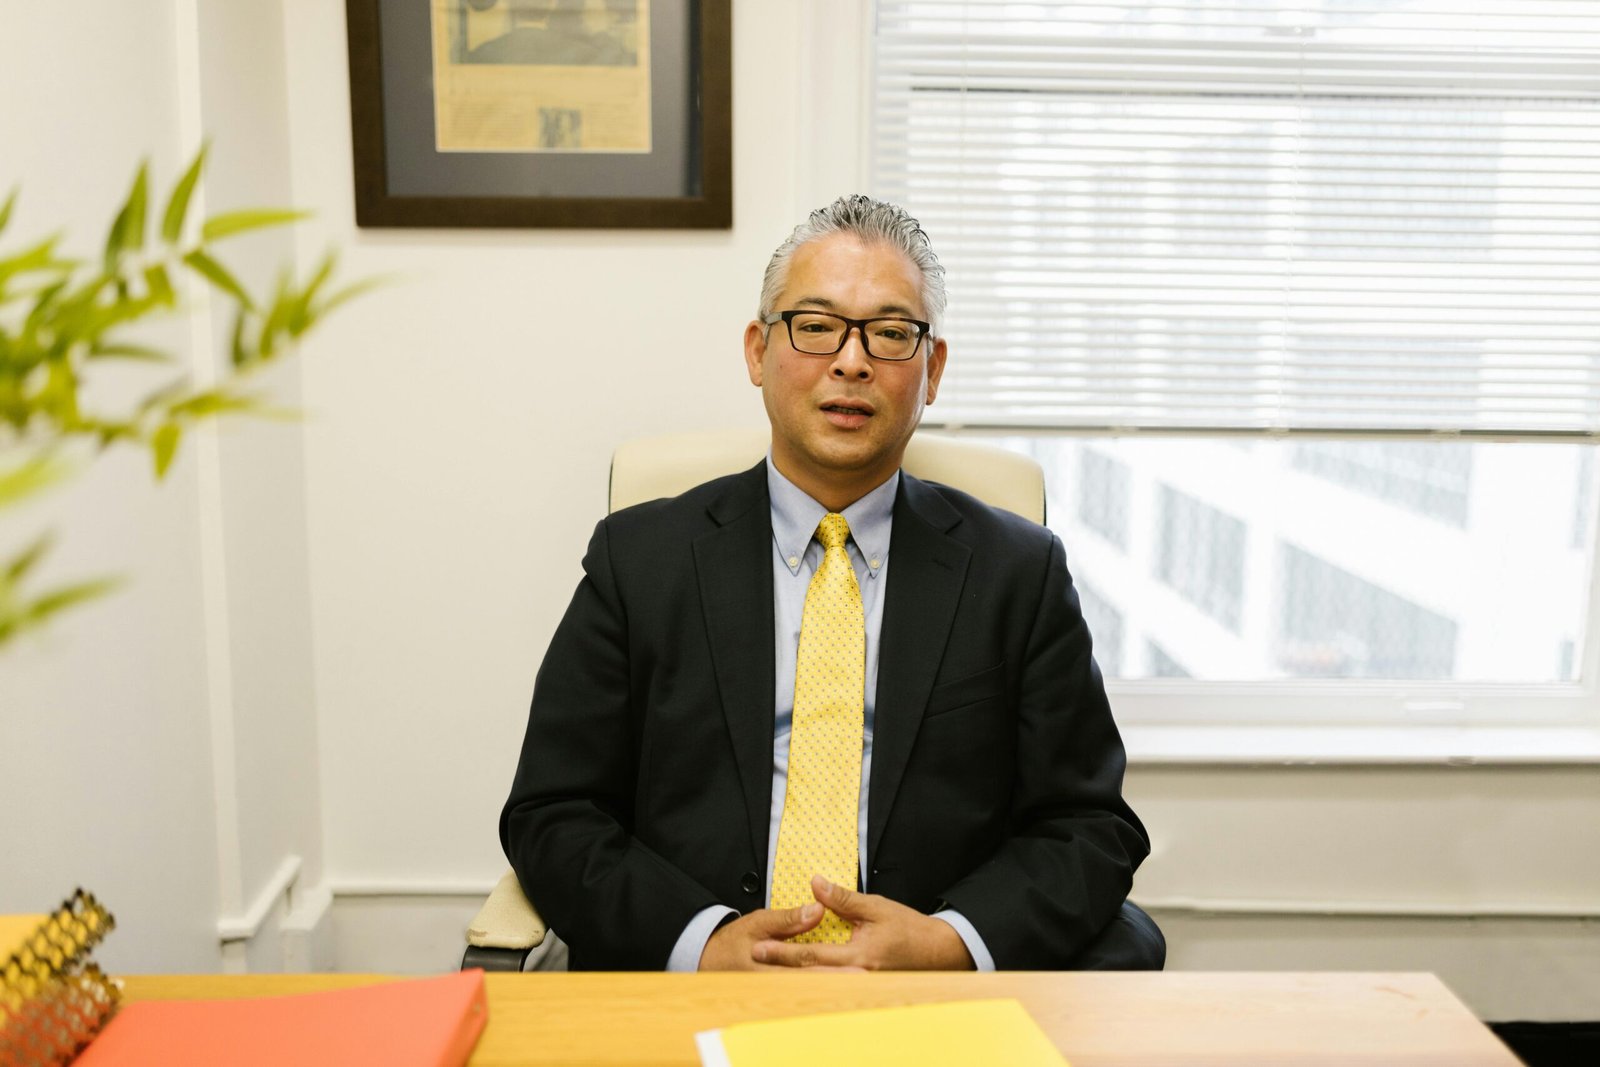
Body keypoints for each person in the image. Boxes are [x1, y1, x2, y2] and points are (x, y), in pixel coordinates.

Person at [501, 195, 1150, 971]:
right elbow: (555, 811)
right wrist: (699, 939)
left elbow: (1089, 825)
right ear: (757, 350)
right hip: (695, 991)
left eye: (890, 332)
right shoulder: (639, 559)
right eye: (816, 325)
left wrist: (947, 941)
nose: (851, 360)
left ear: (932, 369)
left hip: (931, 1001)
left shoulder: (1018, 571)